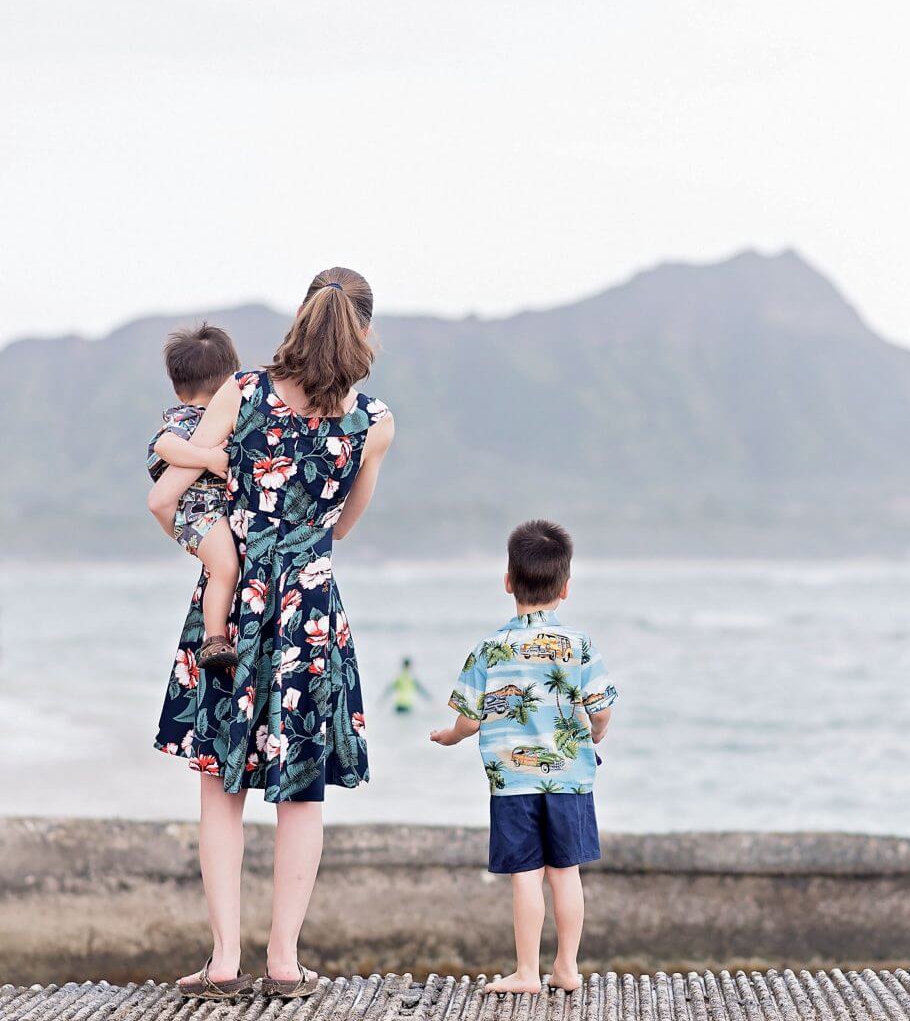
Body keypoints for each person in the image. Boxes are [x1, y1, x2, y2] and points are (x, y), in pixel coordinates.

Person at [148, 267, 395, 999]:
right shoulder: (374, 421)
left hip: (237, 607)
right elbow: (344, 525)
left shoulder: (245, 391)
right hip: (311, 611)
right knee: (302, 795)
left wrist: (220, 543)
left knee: (219, 789)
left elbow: (169, 490)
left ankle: (225, 960)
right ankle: (283, 962)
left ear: (301, 315)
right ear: (365, 330)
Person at [430, 520, 617, 994]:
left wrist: (450, 737)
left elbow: (469, 720)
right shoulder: (579, 645)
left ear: (508, 581)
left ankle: (527, 973)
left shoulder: (489, 650)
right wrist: (595, 733)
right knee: (566, 874)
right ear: (566, 586)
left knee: (525, 878)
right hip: (570, 780)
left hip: (512, 783)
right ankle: (568, 968)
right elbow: (602, 709)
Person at [147, 323, 241, 668]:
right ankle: (214, 640)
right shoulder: (188, 419)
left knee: (224, 568)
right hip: (199, 514)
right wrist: (208, 457)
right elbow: (164, 444)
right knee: (226, 568)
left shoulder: (225, 419)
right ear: (230, 380)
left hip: (207, 514)